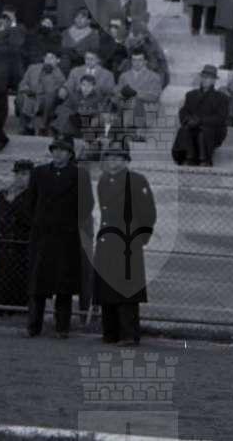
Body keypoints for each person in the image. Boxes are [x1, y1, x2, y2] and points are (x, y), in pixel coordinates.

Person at [24, 135, 92, 339]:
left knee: (64, 286)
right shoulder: (39, 173)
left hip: (66, 237)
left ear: (70, 154)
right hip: (42, 236)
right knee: (38, 285)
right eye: (55, 149)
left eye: (62, 150)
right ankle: (33, 326)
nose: (58, 153)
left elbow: (86, 204)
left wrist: (70, 224)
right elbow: (30, 202)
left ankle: (62, 327)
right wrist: (38, 222)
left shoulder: (80, 175)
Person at [93, 143, 155, 345]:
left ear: (126, 161)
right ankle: (110, 333)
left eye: (118, 158)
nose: (113, 161)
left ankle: (129, 334)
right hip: (107, 240)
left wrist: (140, 238)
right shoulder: (103, 181)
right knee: (107, 288)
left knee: (127, 288)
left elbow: (148, 213)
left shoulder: (136, 180)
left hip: (128, 241)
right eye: (109, 158)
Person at [0, 159, 36, 315]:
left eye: (24, 174)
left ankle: (16, 311)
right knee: (0, 277)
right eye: (17, 174)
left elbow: (30, 219)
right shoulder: (3, 193)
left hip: (21, 244)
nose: (20, 177)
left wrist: (13, 203)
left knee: (18, 280)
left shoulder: (33, 196)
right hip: (3, 242)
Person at [172, 63, 230, 167]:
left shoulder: (221, 98)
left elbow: (221, 118)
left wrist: (201, 121)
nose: (205, 80)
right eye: (203, 77)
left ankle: (204, 159)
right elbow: (184, 111)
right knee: (185, 130)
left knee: (203, 131)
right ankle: (188, 157)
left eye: (208, 78)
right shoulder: (191, 95)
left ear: (214, 80)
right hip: (193, 126)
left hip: (213, 129)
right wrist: (188, 119)